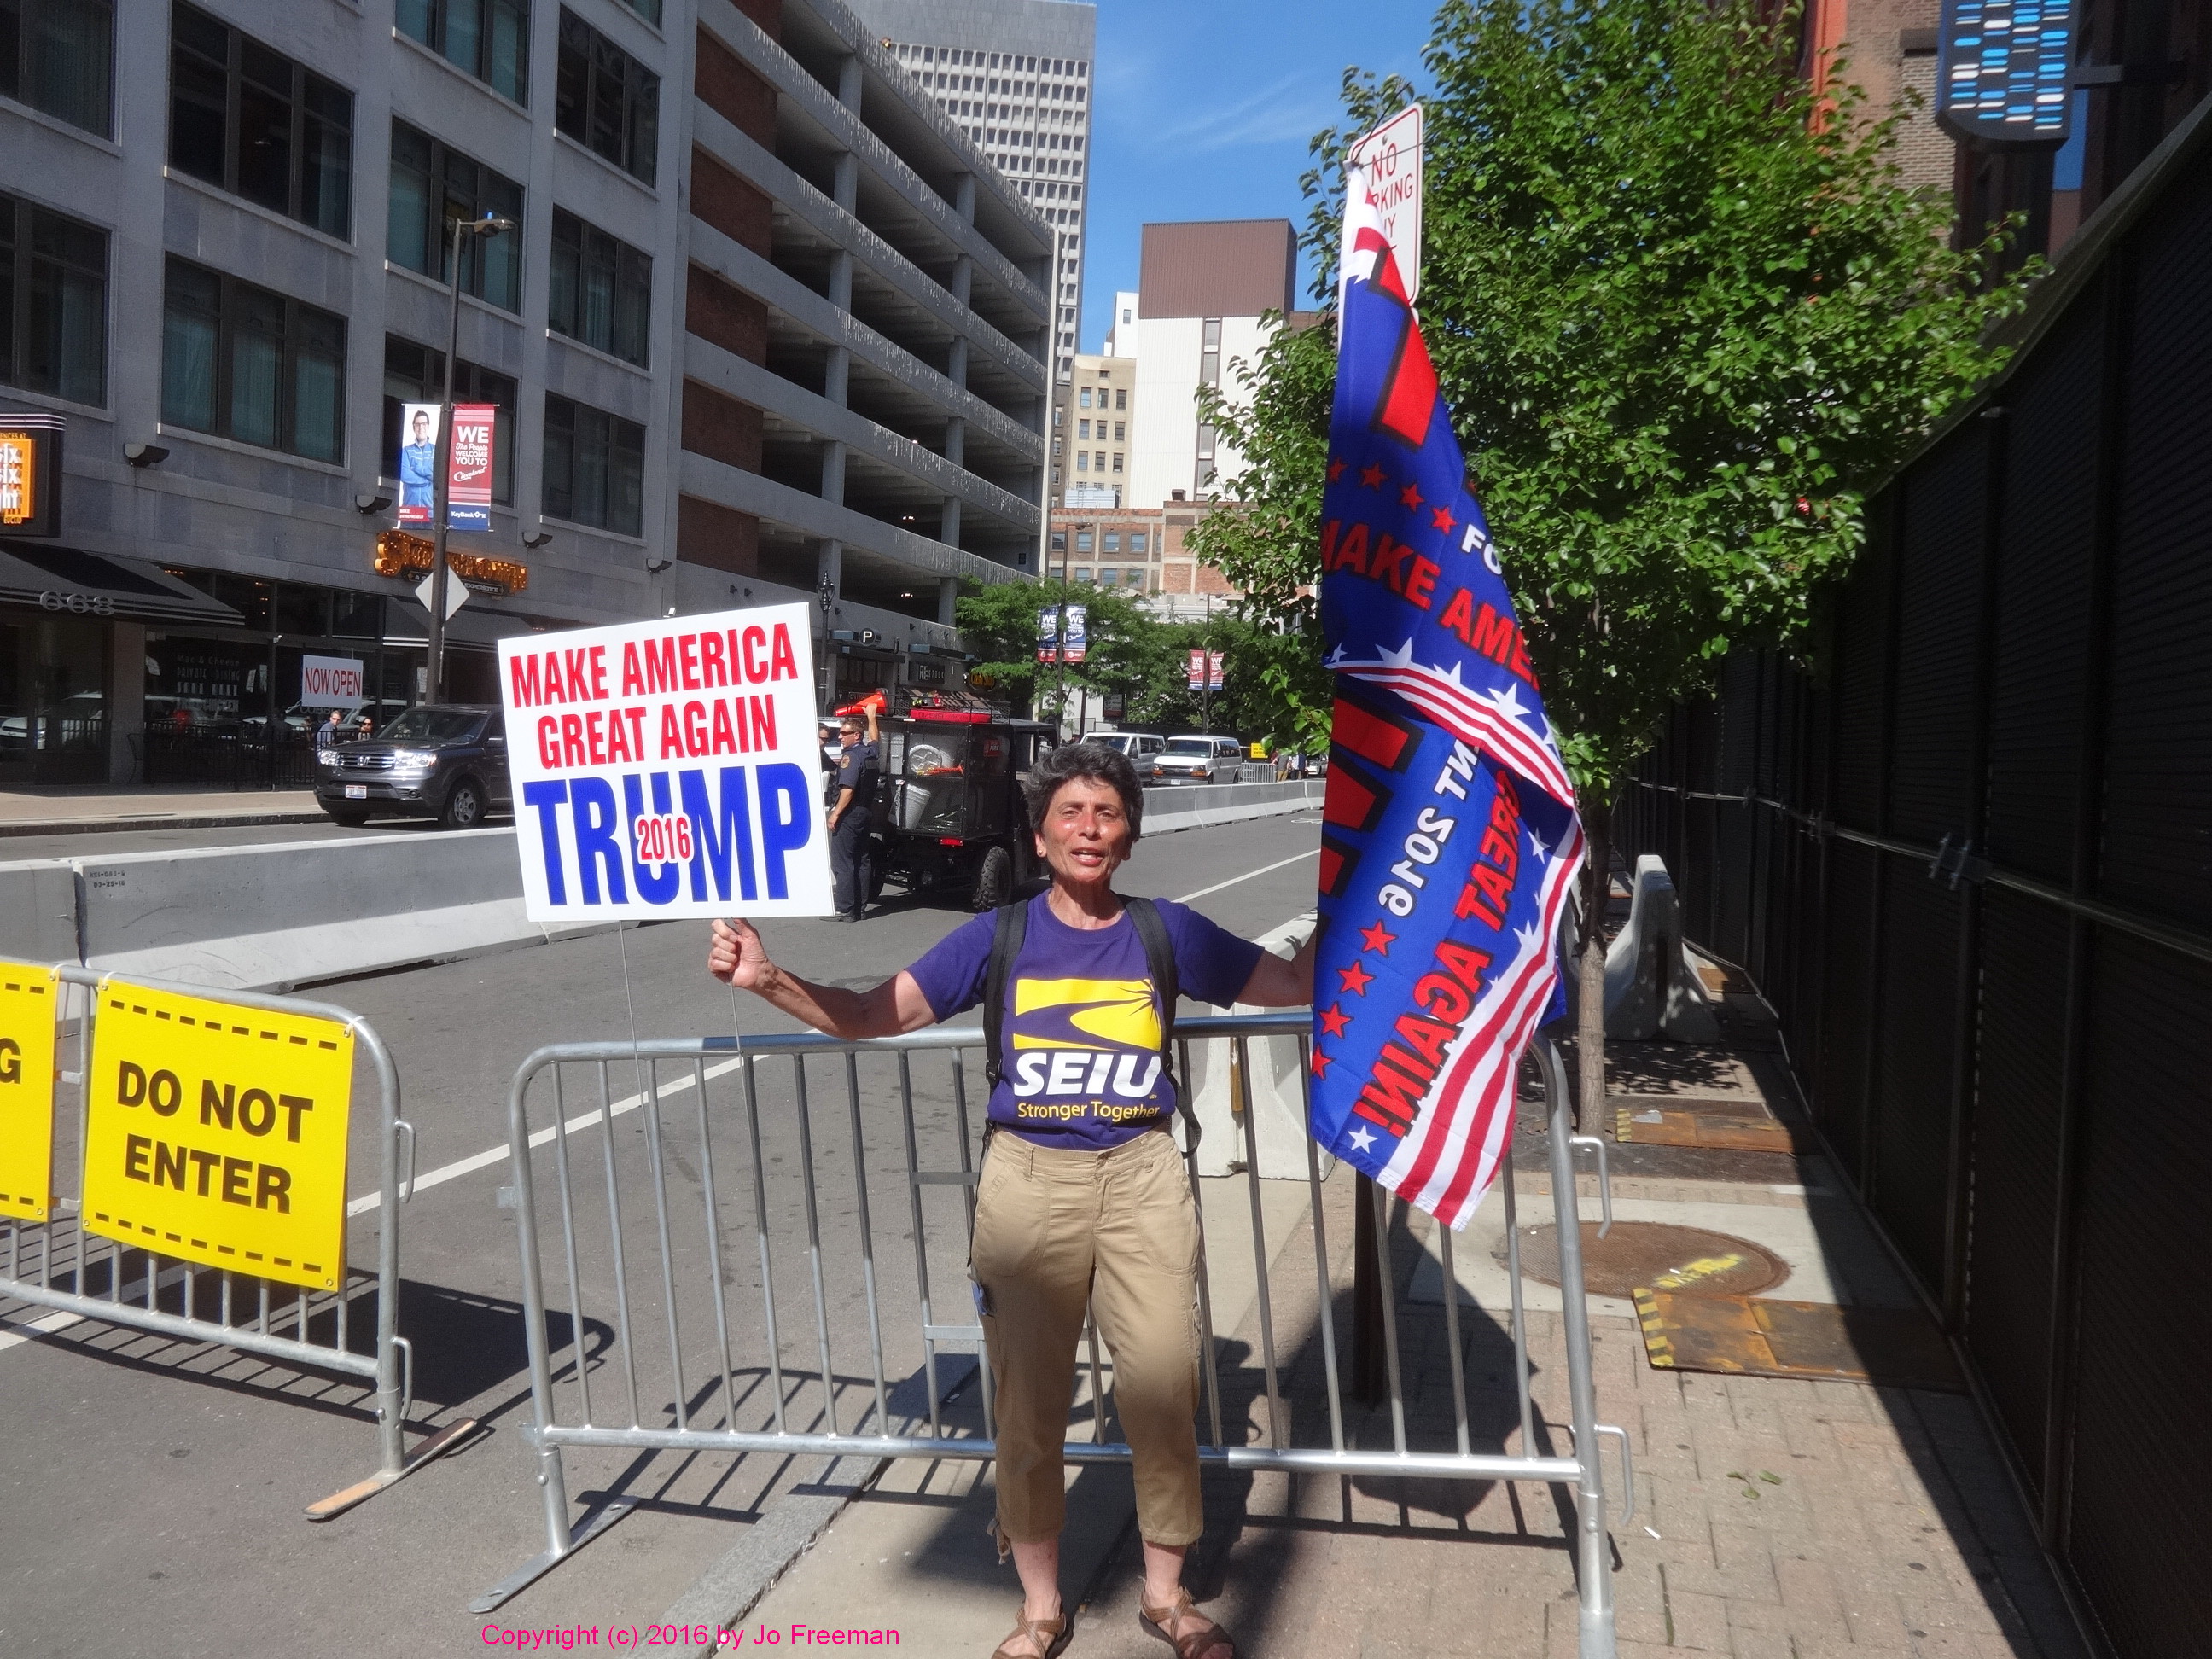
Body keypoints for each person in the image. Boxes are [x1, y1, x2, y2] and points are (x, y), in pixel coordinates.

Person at [708, 742, 1314, 1659]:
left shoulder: (1167, 932)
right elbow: (872, 1015)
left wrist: (1363, 904)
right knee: (1029, 1407)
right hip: (1028, 1183)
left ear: (1129, 836)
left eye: (1107, 814)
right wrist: (768, 978)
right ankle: (1040, 1608)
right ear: (1040, 835)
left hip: (1143, 1177)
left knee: (1163, 1390)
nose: (1089, 829)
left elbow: (1295, 986)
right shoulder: (997, 937)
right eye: (1071, 812)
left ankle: (1166, 1597)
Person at [826, 698, 882, 921]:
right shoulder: (870, 753)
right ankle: (860, 908)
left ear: (856, 735)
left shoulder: (851, 756)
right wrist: (871, 717)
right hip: (865, 812)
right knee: (862, 860)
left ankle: (846, 909)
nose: (840, 737)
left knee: (843, 861)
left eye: (844, 733)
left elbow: (848, 789)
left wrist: (836, 813)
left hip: (850, 813)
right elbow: (875, 739)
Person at [399, 410, 438, 513]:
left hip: (430, 511)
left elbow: (436, 475)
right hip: (409, 511)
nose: (421, 428)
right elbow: (404, 474)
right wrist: (426, 481)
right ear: (414, 428)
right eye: (418, 425)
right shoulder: (406, 450)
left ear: (428, 426)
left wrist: (416, 469)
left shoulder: (436, 450)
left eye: (424, 424)